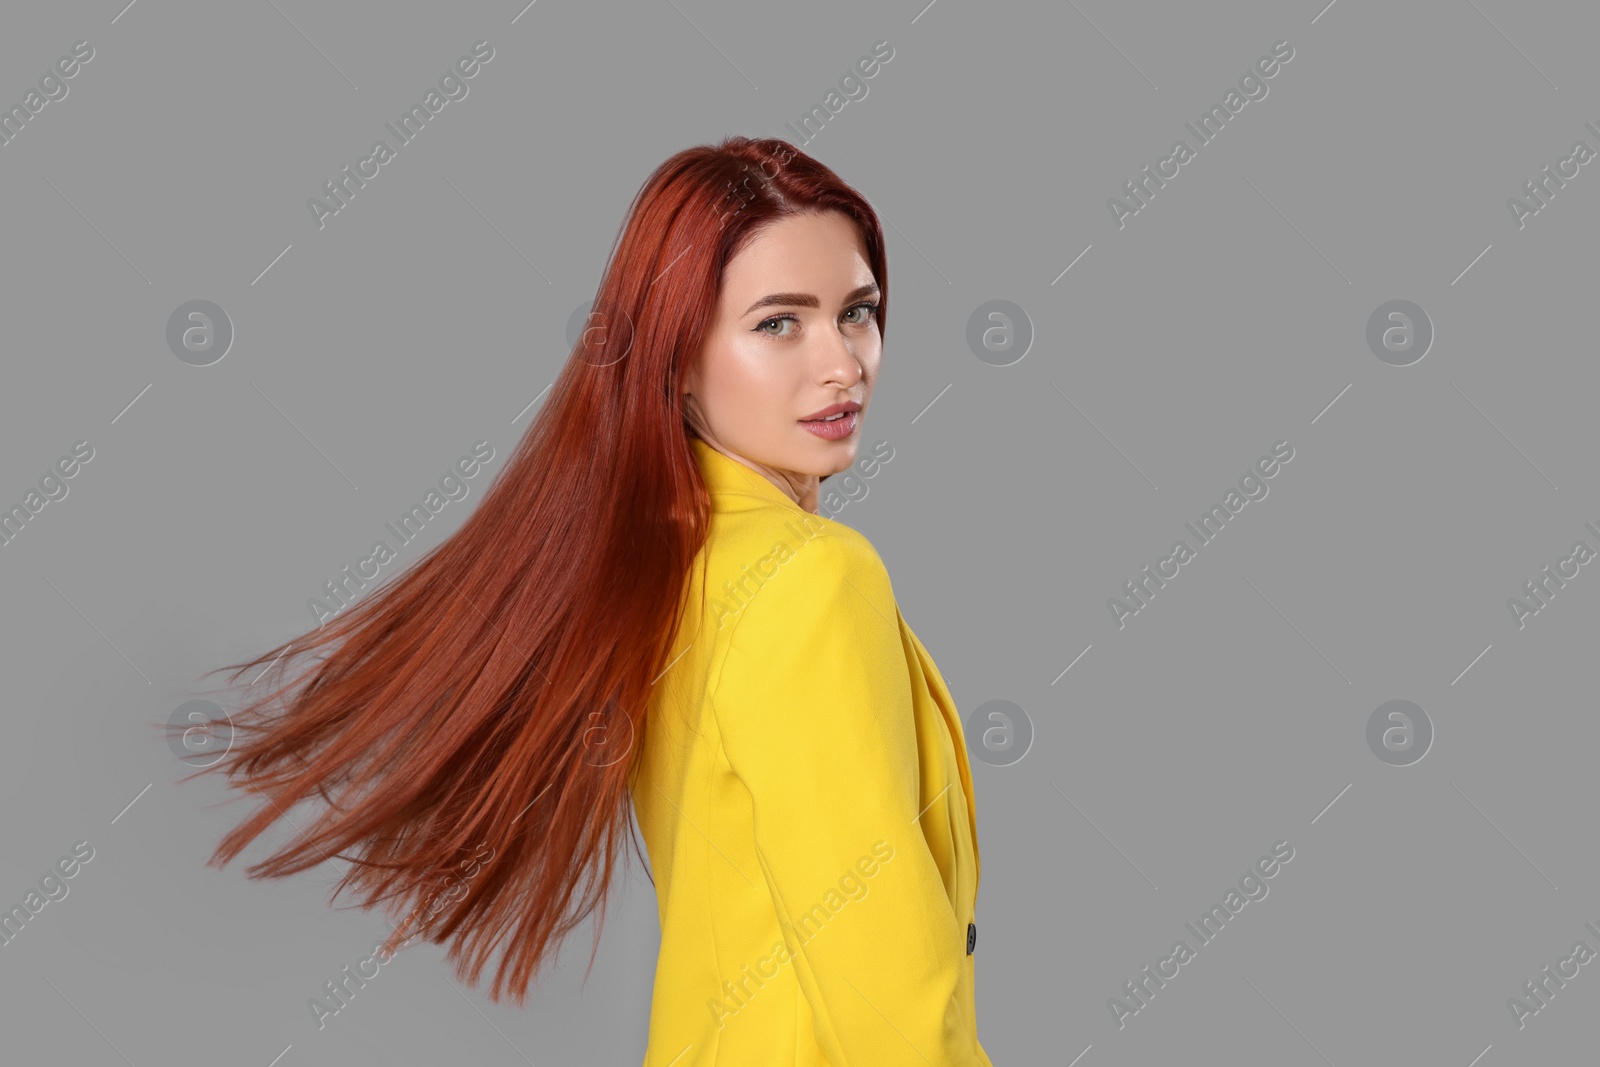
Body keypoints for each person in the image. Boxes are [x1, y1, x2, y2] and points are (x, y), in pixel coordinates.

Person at [182, 135, 991, 1065]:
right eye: (780, 323)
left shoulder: (676, 561)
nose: (843, 362)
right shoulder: (811, 578)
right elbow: (888, 986)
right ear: (676, 359)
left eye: (858, 312)